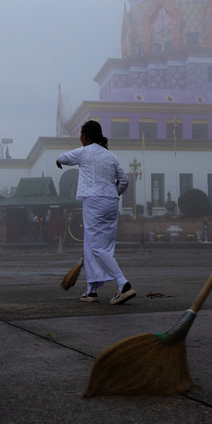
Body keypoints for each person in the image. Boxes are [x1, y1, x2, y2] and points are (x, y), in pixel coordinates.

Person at [56, 120, 134, 304]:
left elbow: (63, 157)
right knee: (100, 245)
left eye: (81, 135)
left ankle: (123, 284)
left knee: (97, 247)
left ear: (85, 136)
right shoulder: (111, 156)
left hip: (93, 201)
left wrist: (58, 160)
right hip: (111, 202)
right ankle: (91, 291)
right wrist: (114, 193)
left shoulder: (84, 152)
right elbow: (124, 180)